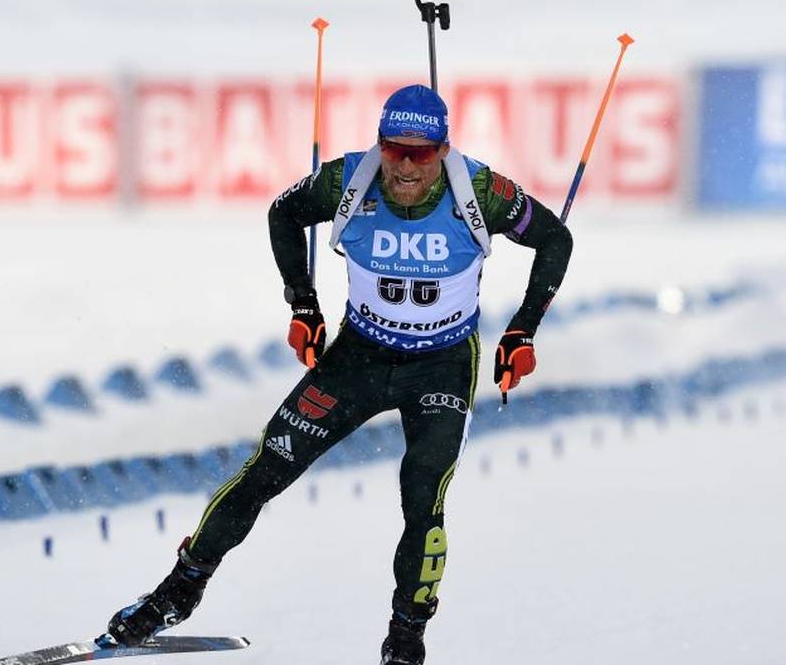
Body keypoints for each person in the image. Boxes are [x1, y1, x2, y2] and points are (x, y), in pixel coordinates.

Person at [99, 85, 574, 664]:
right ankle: (177, 592)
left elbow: (554, 236)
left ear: (443, 150)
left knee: (423, 495)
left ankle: (406, 637)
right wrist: (302, 303)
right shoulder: (347, 180)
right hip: (360, 358)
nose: (403, 165)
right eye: (393, 148)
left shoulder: (478, 190)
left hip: (442, 366)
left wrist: (523, 330)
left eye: (420, 154)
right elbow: (284, 212)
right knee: (266, 469)